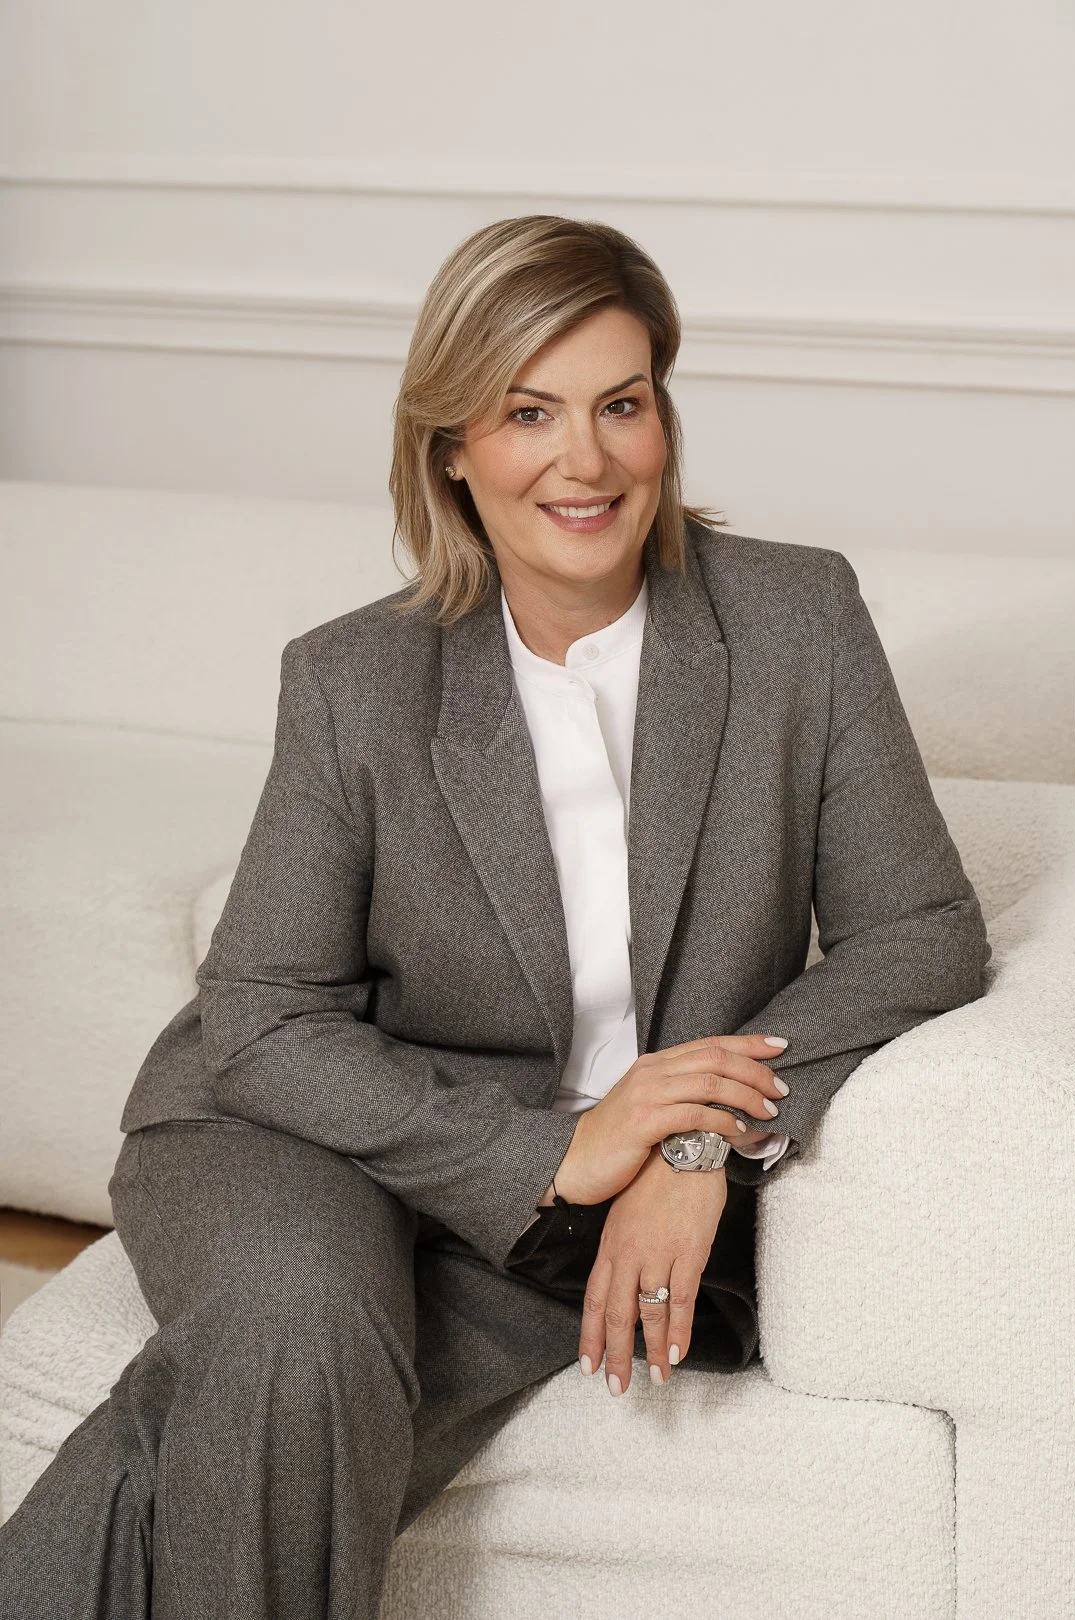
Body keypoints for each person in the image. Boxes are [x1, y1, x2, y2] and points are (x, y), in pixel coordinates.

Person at [0, 213, 991, 1619]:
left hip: (568, 1187)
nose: (585, 460)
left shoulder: (795, 621)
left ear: (665, 418)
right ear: (453, 447)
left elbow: (923, 930)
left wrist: (695, 1138)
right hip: (298, 1121)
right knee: (297, 1320)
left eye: (621, 404)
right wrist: (554, 1151)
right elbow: (265, 1017)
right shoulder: (356, 681)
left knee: (266, 1407)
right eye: (529, 412)